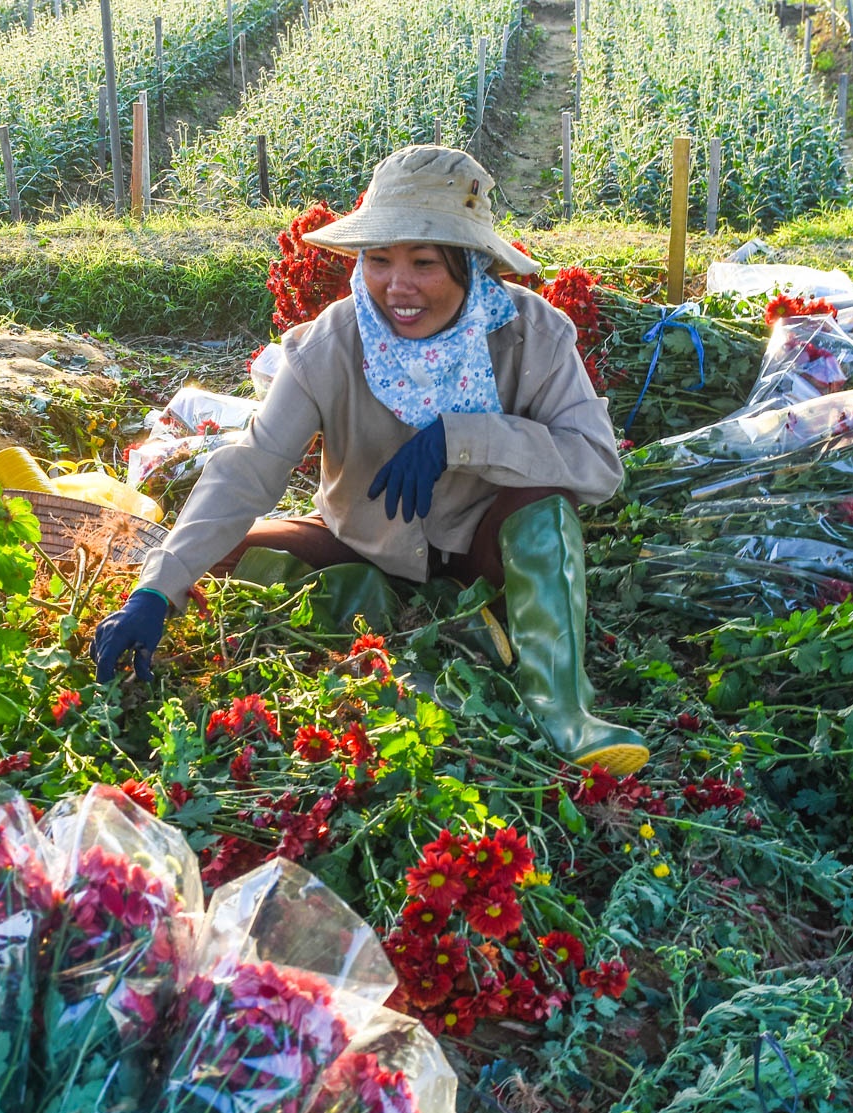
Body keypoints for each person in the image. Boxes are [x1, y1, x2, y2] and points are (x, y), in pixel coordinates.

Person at [94, 145, 648, 776]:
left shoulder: (531, 334)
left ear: (471, 266)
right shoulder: (328, 345)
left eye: (424, 263)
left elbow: (598, 464)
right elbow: (250, 467)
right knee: (222, 552)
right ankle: (434, 619)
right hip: (364, 544)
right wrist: (155, 591)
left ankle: (562, 707)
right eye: (379, 260)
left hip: (489, 551)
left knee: (545, 508)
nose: (397, 287)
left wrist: (461, 437)